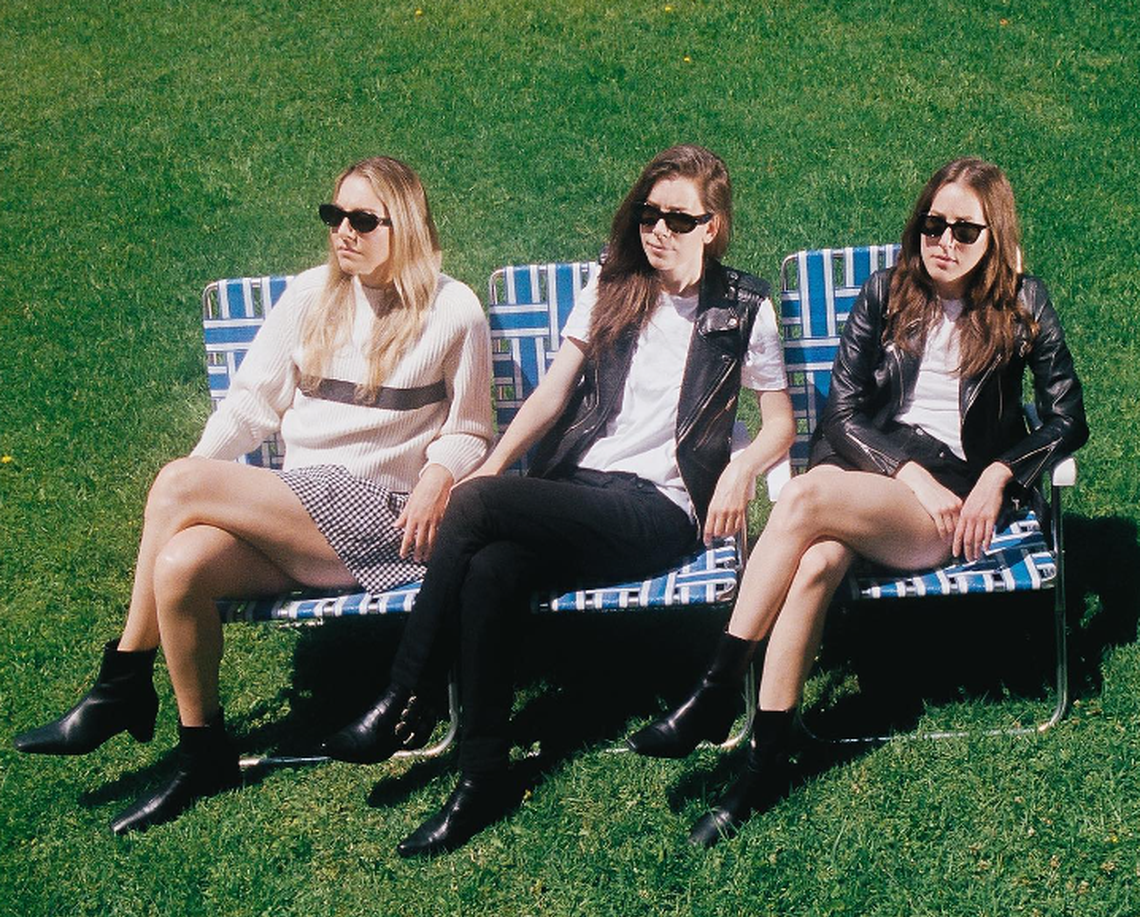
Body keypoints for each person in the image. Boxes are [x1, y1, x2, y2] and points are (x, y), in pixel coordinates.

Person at [322, 144, 796, 856]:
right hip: (580, 489)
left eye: (677, 218)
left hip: (660, 510)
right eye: (647, 213)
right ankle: (483, 776)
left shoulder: (745, 307)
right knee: (490, 568)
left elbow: (781, 420)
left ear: (713, 226)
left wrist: (743, 464)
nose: (658, 230)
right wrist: (497, 464)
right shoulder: (614, 284)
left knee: (474, 507)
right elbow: (550, 394)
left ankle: (402, 696)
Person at [13, 156, 493, 835]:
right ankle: (202, 749)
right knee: (180, 566)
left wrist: (440, 474)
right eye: (334, 217)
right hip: (299, 512)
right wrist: (198, 492)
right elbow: (248, 408)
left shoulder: (453, 309)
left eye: (362, 220)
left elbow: (472, 430)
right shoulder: (309, 295)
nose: (343, 233)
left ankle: (120, 684)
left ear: (406, 224)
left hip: (382, 521)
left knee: (178, 481)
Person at [627, 156, 1089, 846]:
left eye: (965, 230)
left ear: (994, 235)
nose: (945, 241)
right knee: (814, 563)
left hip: (950, 506)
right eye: (933, 224)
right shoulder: (886, 292)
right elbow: (841, 416)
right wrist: (906, 471)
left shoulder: (1025, 303)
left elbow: (1066, 418)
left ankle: (716, 690)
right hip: (879, 480)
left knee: (808, 495)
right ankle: (761, 766)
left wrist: (998, 474)